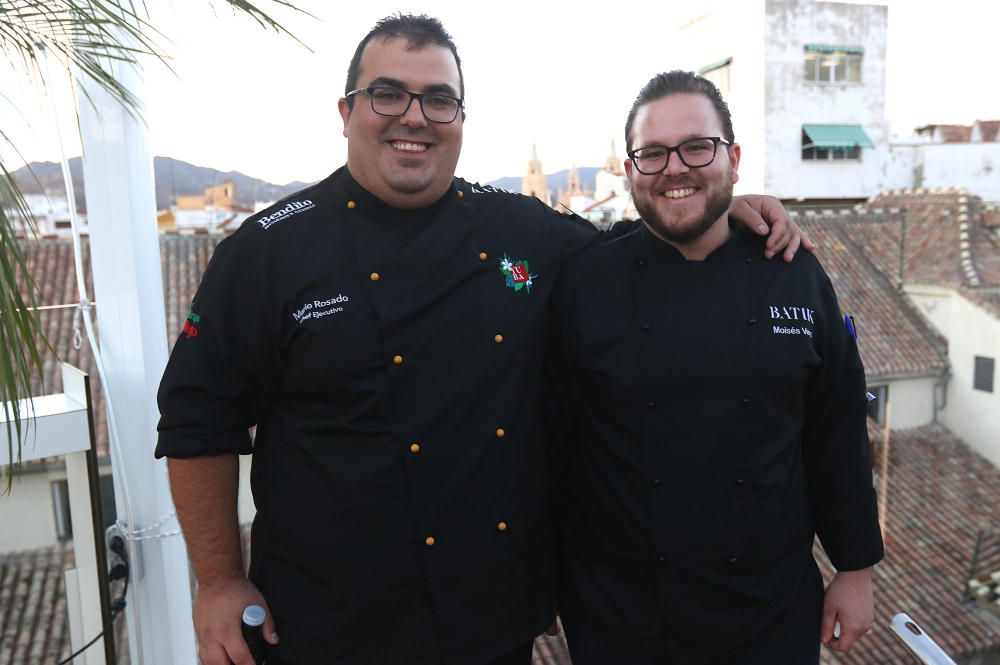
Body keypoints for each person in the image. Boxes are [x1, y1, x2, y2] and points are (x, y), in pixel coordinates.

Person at [155, 16, 809, 665]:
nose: (414, 116)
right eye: (389, 94)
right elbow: (196, 419)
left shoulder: (520, 233)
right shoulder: (269, 252)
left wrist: (719, 205)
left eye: (438, 99)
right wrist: (217, 579)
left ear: (461, 118)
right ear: (346, 110)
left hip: (488, 628)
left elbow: (638, 250)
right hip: (324, 626)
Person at [545, 70, 884, 665]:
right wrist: (538, 573)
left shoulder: (795, 272)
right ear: (630, 172)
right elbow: (547, 444)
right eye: (652, 154)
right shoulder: (584, 283)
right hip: (622, 616)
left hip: (770, 610)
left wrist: (855, 569)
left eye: (696, 147)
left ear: (733, 157)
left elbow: (835, 431)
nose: (675, 167)